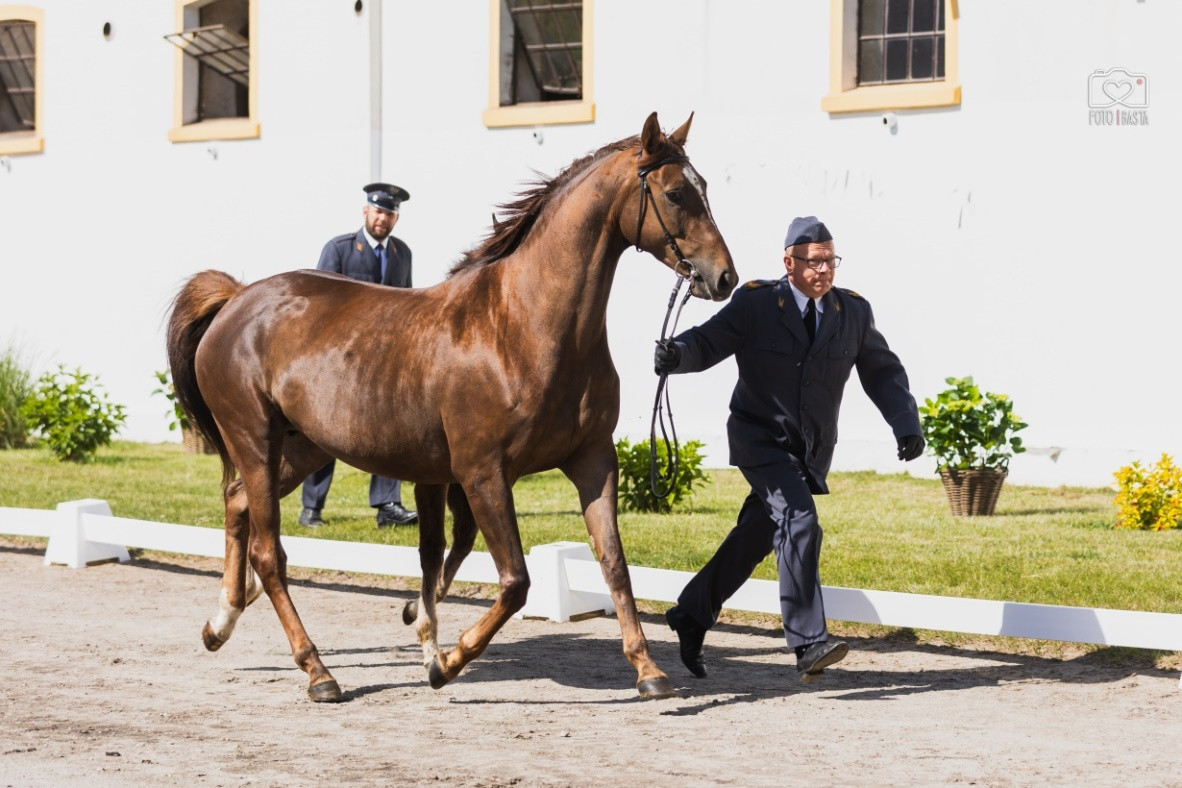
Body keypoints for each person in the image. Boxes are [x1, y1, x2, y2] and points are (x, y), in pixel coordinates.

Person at [654, 215, 925, 684]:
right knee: (800, 521)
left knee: (755, 536)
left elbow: (882, 371)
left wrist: (905, 424)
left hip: (811, 451)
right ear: (789, 263)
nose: (824, 270)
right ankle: (808, 642)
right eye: (814, 261)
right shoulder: (758, 303)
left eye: (830, 261)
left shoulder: (852, 312)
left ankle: (692, 613)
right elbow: (710, 340)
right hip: (759, 440)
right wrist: (677, 353)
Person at [298, 182, 419, 529]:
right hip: (341, 359)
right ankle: (311, 508)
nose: (383, 218)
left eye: (390, 213)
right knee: (325, 430)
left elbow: (407, 303)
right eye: (378, 211)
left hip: (386, 361)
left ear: (396, 218)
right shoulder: (339, 249)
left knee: (392, 429)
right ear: (365, 211)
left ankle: (388, 505)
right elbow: (319, 304)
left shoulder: (402, 253)